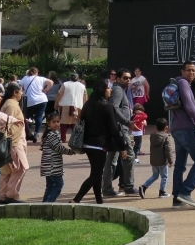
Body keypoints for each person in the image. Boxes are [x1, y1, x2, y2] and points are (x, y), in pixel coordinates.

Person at [167, 62, 195, 208]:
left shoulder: (176, 83)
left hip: (176, 129)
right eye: (188, 70)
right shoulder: (184, 84)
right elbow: (191, 107)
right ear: (182, 71)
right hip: (187, 129)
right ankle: (185, 192)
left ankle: (177, 199)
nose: (191, 73)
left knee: (180, 165)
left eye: (193, 70)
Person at [72, 80, 121, 204]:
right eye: (108, 88)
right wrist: (122, 146)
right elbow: (114, 128)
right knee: (95, 175)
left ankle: (99, 201)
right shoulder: (106, 106)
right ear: (102, 90)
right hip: (100, 145)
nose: (110, 90)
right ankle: (76, 199)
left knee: (96, 173)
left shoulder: (88, 104)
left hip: (87, 144)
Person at [104, 68, 137, 197]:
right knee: (129, 157)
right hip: (119, 130)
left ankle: (107, 188)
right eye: (125, 78)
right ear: (117, 79)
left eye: (129, 78)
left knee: (112, 160)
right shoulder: (118, 90)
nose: (128, 80)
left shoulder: (120, 90)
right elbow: (113, 108)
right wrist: (127, 123)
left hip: (117, 129)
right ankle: (128, 186)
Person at [0, 82, 28, 203]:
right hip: (13, 142)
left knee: (8, 170)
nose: (22, 94)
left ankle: (4, 195)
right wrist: (11, 143)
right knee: (21, 167)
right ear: (15, 92)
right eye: (21, 91)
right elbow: (7, 125)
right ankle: (11, 194)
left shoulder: (10, 104)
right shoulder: (11, 105)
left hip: (11, 142)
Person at [40, 111, 75, 202]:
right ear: (48, 123)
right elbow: (58, 148)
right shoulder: (52, 134)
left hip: (48, 166)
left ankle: (44, 205)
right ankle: (49, 203)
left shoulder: (49, 133)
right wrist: (71, 152)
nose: (56, 124)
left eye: (58, 121)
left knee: (50, 186)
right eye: (54, 122)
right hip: (52, 166)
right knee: (59, 184)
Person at [138, 118, 173, 199]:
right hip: (162, 161)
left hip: (154, 160)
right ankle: (162, 192)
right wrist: (171, 161)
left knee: (155, 175)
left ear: (156, 127)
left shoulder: (152, 136)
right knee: (164, 176)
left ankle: (144, 186)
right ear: (166, 127)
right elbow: (168, 150)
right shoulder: (166, 137)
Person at [55, 72, 88, 141]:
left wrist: (56, 103)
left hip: (65, 105)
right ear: (78, 78)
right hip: (78, 105)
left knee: (63, 122)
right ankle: (75, 139)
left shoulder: (65, 84)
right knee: (75, 123)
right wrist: (85, 106)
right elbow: (85, 97)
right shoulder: (82, 86)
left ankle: (63, 138)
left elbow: (59, 94)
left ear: (70, 77)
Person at [20, 67, 49, 143]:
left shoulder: (25, 78)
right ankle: (36, 133)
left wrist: (22, 91)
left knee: (26, 116)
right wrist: (46, 89)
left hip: (30, 101)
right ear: (37, 72)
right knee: (39, 117)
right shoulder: (41, 78)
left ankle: (27, 131)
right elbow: (51, 82)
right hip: (42, 99)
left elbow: (19, 85)